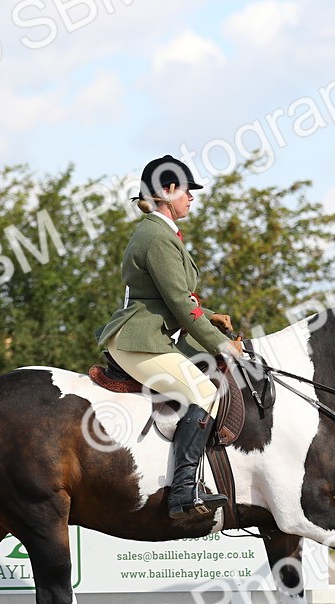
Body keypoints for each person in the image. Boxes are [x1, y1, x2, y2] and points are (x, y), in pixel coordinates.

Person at [96, 155, 244, 519]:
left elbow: (170, 298)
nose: (191, 197)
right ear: (168, 190)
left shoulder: (161, 232)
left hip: (149, 333)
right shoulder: (157, 238)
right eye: (187, 191)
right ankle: (183, 492)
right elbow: (179, 304)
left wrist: (210, 316)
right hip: (138, 339)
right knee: (204, 391)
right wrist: (223, 345)